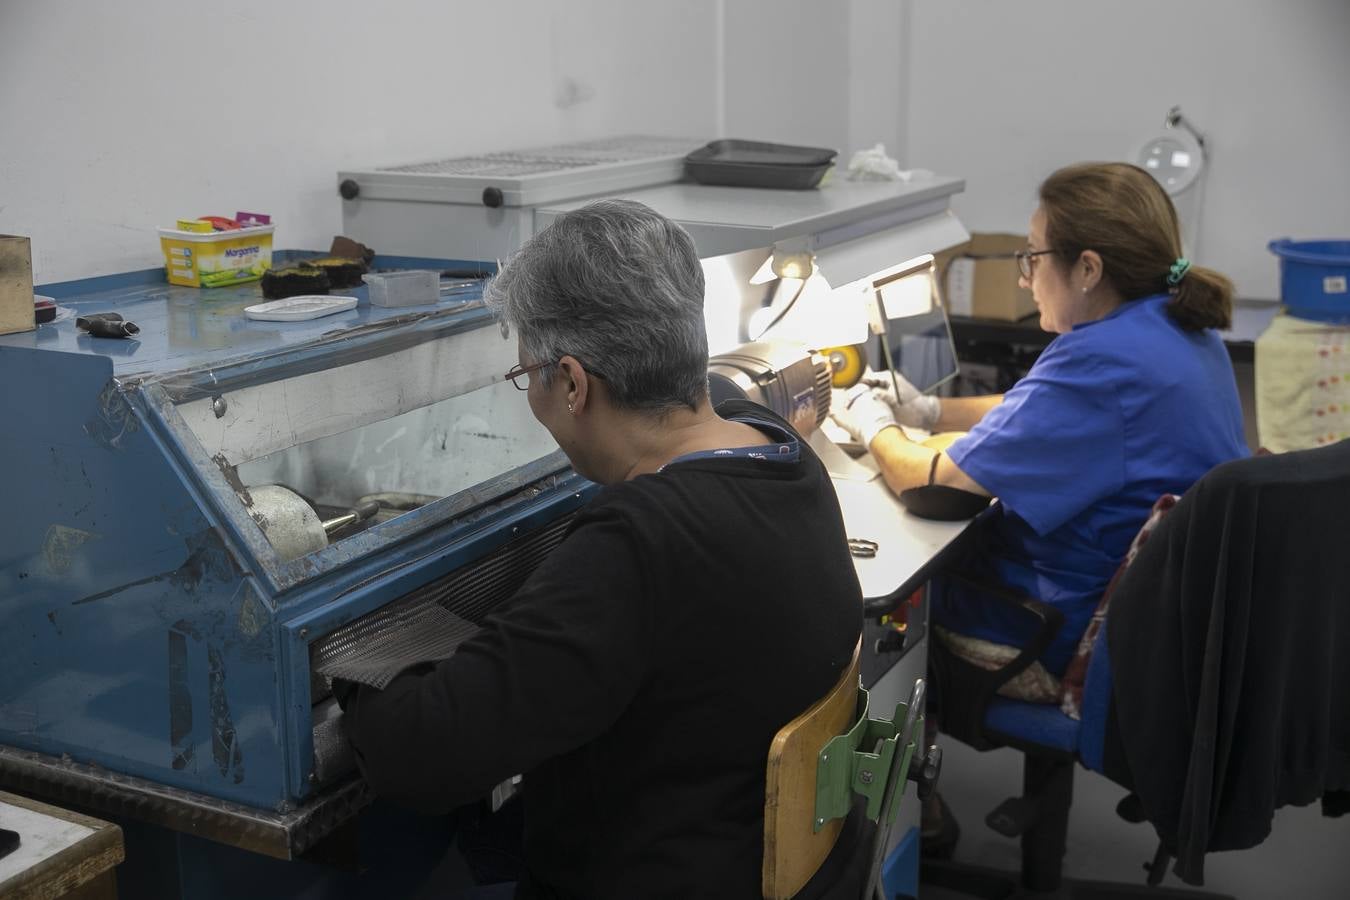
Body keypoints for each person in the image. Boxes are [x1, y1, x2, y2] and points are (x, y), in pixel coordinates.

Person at [336, 199, 864, 899]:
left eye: (529, 377)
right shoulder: (782, 452)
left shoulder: (641, 544)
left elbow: (423, 758)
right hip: (785, 868)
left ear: (575, 384)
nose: (532, 396)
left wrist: (352, 656)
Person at [831, 162, 1249, 851]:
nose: (1025, 277)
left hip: (1054, 629)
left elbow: (926, 479)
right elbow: (1035, 410)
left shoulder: (1101, 363)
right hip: (1159, 627)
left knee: (867, 618)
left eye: (1032, 257)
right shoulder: (1176, 330)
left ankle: (909, 819)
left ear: (1086, 267)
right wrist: (929, 406)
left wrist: (874, 423)